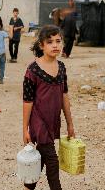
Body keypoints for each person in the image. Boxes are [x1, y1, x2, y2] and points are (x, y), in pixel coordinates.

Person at [22, 25, 75, 190]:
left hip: (53, 121)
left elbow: (64, 96)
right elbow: (27, 101)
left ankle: (28, 187)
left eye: (58, 41)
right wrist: (25, 128)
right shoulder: (32, 70)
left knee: (42, 159)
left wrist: (70, 124)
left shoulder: (61, 68)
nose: (55, 45)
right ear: (41, 45)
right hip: (39, 122)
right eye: (50, 42)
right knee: (52, 161)